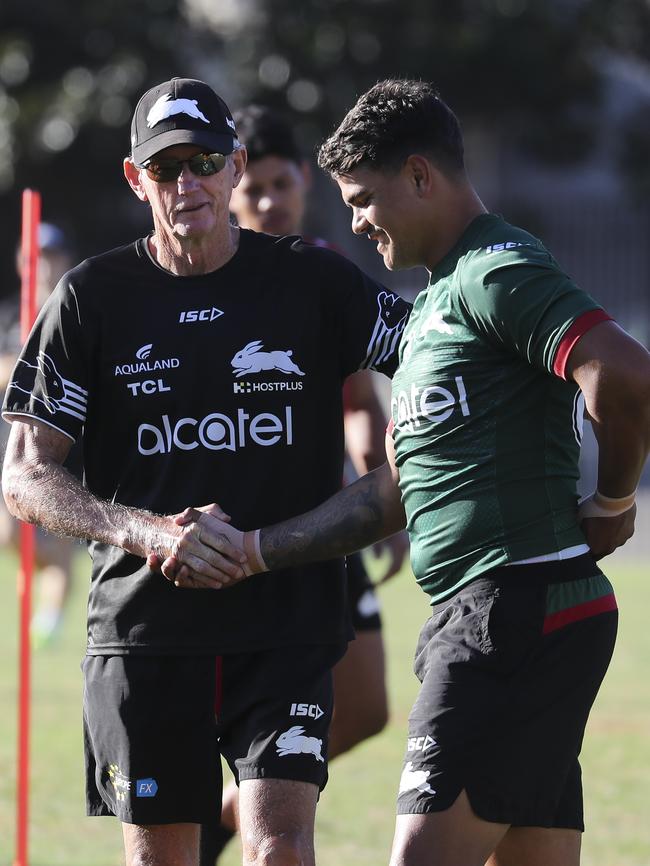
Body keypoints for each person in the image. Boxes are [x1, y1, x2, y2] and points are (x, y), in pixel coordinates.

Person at [158, 80, 650, 866]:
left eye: (364, 198)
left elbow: (624, 375)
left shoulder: (496, 271)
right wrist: (257, 548)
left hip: (513, 612)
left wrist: (617, 497)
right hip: (496, 614)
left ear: (420, 176)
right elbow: (393, 493)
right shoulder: (429, 309)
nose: (354, 220)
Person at [1, 77, 411, 866]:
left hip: (285, 618)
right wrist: (146, 531)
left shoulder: (312, 280)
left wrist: (400, 450)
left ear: (235, 167)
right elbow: (25, 475)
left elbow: (430, 352)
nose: (187, 184)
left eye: (205, 161)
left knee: (279, 850)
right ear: (136, 178)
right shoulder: (91, 297)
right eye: (166, 168)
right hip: (146, 630)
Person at [192, 103, 408, 864]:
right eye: (255, 189)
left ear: (303, 183)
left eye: (282, 186)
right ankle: (237, 816)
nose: (267, 203)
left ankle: (227, 817)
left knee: (371, 708)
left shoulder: (324, 273)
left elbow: (356, 399)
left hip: (326, 521)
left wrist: (385, 490)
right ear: (234, 183)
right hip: (242, 528)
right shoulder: (212, 277)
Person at [0, 222, 79, 648]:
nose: (43, 265)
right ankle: (50, 578)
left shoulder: (74, 309)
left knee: (59, 520)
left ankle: (52, 609)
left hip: (66, 441)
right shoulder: (12, 313)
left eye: (50, 256)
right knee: (10, 531)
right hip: (13, 442)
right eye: (34, 257)